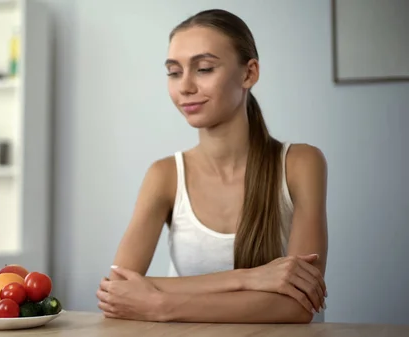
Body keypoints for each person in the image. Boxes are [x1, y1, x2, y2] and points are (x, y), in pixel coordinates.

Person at [95, 9, 328, 324]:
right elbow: (116, 291)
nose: (185, 86)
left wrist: (161, 305)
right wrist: (248, 278)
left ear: (249, 73)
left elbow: (298, 307)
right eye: (174, 72)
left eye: (203, 68)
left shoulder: (301, 164)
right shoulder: (164, 175)